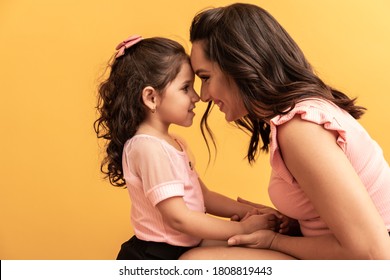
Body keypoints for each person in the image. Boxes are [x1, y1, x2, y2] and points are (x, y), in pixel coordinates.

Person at [180, 3, 390, 260]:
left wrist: (274, 241)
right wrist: (290, 224)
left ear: (239, 65)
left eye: (205, 77)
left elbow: (374, 254)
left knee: (197, 262)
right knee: (204, 245)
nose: (203, 96)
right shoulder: (296, 119)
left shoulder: (301, 129)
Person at [94, 35, 290, 260]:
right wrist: (243, 229)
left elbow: (204, 196)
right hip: (159, 256)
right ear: (151, 97)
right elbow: (180, 218)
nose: (197, 97)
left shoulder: (173, 142)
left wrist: (249, 213)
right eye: (185, 88)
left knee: (261, 246)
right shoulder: (148, 148)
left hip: (186, 244)